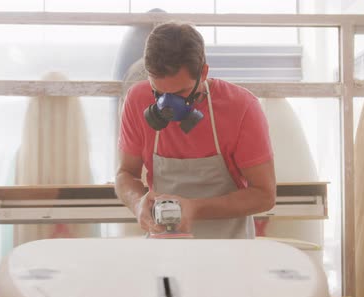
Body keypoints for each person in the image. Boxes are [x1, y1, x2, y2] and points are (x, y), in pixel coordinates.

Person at [115, 21, 276, 239]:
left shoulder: (241, 108)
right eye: (158, 92)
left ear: (203, 73)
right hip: (165, 246)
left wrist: (195, 208)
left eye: (180, 92)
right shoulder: (137, 100)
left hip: (229, 250)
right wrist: (137, 202)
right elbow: (125, 174)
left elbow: (264, 195)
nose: (167, 106)